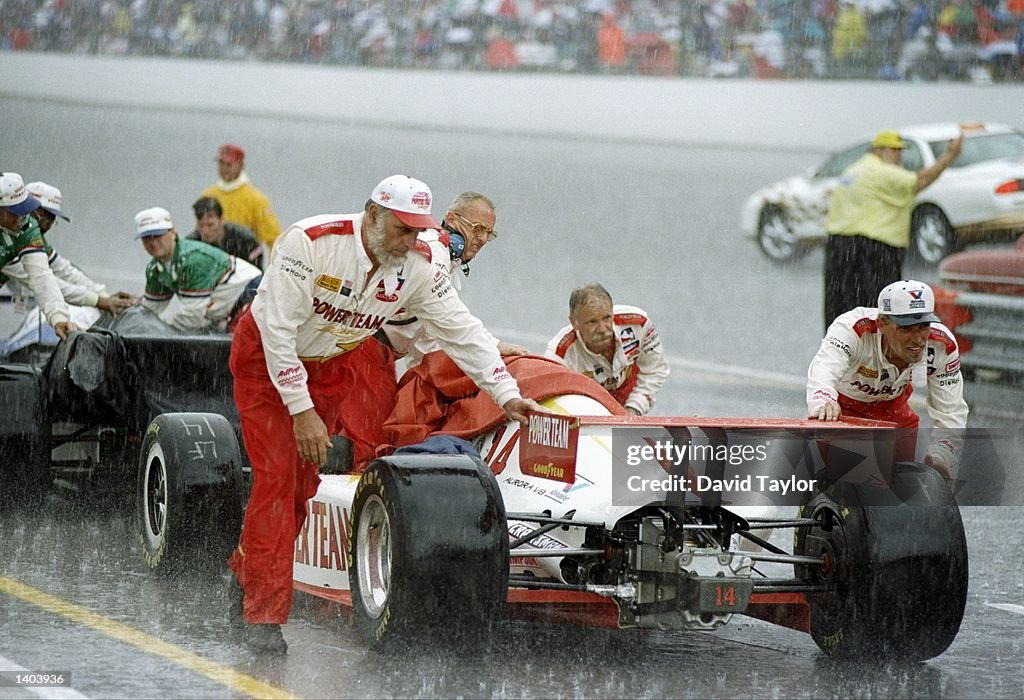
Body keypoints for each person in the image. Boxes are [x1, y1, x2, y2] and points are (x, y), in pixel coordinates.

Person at [226, 175, 543, 654]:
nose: (410, 242)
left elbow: (463, 332)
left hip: (332, 365)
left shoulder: (417, 266)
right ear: (372, 214)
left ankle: (246, 572)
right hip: (268, 361)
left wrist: (506, 392)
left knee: (299, 489)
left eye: (418, 232)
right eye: (401, 230)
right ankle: (263, 617)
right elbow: (276, 332)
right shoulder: (310, 242)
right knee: (274, 480)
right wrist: (301, 410)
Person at [807, 279, 968, 485]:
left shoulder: (942, 345)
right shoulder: (851, 329)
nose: (918, 339)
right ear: (882, 323)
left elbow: (951, 411)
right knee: (844, 486)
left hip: (895, 411)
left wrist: (942, 454)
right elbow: (823, 371)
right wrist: (823, 401)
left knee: (900, 491)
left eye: (923, 326)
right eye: (906, 328)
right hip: (843, 412)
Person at [823, 128, 964, 330]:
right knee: (878, 311)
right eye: (895, 150)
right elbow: (921, 180)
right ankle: (874, 356)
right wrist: (950, 156)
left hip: (839, 248)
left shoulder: (853, 171)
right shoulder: (883, 172)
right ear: (880, 150)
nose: (900, 156)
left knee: (841, 311)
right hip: (873, 249)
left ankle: (839, 353)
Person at [383, 191, 528, 367]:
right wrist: (494, 345)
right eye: (478, 228)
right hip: (365, 347)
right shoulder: (433, 250)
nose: (482, 239)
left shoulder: (447, 264)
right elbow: (452, 316)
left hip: (380, 354)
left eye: (488, 233)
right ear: (451, 219)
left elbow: (426, 344)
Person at [9, 181, 136, 316]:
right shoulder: (9, 238)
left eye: (52, 220)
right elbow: (44, 282)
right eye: (44, 218)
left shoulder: (33, 236)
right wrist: (98, 301)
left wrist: (104, 295)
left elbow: (64, 270)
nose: (46, 226)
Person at [545, 283, 668, 416]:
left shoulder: (638, 323)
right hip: (586, 406)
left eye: (607, 318)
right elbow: (554, 402)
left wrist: (634, 409)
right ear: (574, 323)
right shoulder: (559, 354)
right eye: (592, 322)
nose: (603, 329)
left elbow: (654, 370)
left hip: (629, 394)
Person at [136, 206, 262, 332]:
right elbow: (149, 309)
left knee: (239, 344)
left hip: (250, 290)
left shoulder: (192, 260)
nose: (152, 243)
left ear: (173, 233)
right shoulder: (155, 270)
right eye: (147, 238)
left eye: (158, 236)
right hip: (223, 308)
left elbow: (191, 317)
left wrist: (162, 331)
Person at [0, 172, 76, 341]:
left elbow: (41, 275)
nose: (22, 216)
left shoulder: (27, 226)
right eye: (15, 210)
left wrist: (59, 318)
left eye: (25, 207)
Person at [199, 144, 282, 248]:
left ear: (241, 165)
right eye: (221, 163)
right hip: (212, 257)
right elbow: (199, 232)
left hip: (245, 257)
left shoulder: (257, 200)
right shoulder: (207, 196)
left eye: (229, 164)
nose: (224, 168)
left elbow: (274, 239)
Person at [187, 196, 264, 270]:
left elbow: (257, 273)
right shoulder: (192, 245)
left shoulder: (245, 240)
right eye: (201, 226)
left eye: (210, 225)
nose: (205, 231)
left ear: (222, 220)